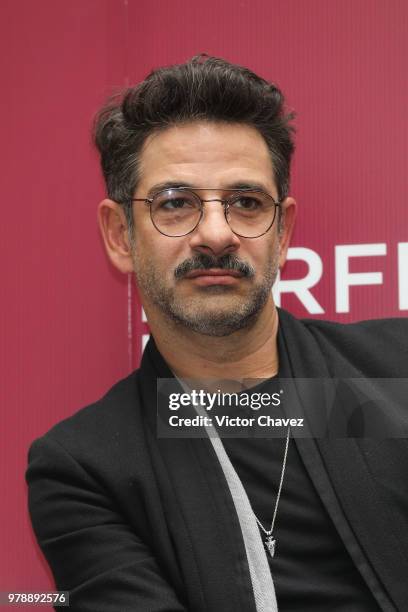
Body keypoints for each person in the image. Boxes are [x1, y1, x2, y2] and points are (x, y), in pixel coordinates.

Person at [26, 55, 408, 612]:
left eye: (246, 203)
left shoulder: (394, 372)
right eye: (175, 204)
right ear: (119, 235)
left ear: (282, 233)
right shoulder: (87, 467)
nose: (214, 234)